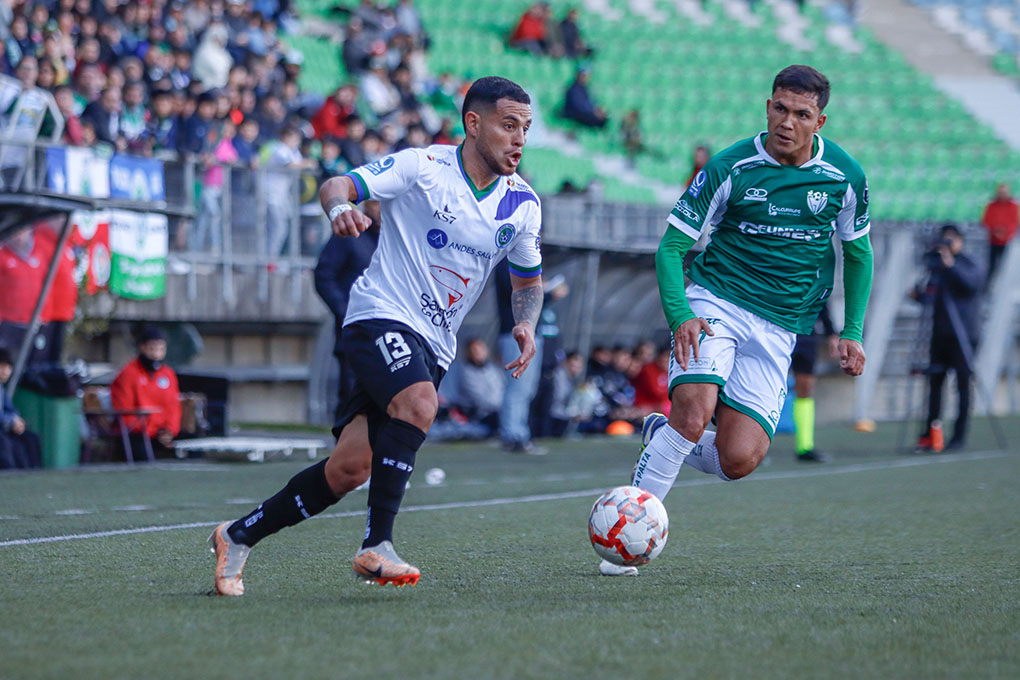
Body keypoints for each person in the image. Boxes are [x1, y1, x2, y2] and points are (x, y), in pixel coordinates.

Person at [209, 76, 543, 595]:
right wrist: (341, 209)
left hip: (436, 343)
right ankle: (377, 545)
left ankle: (237, 535)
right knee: (420, 404)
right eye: (508, 125)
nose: (519, 138)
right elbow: (337, 185)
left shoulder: (523, 205)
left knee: (347, 469)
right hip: (378, 314)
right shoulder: (423, 167)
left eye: (525, 128)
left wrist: (525, 321)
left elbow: (528, 281)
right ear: (473, 124)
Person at [604, 65, 873, 576]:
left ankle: (662, 435)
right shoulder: (731, 165)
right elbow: (672, 248)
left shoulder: (844, 177)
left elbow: (859, 255)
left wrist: (853, 329)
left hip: (780, 327)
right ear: (767, 105)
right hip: (717, 303)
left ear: (820, 120)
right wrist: (682, 314)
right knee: (693, 414)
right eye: (779, 108)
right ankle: (626, 543)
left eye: (801, 114)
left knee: (739, 460)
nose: (786, 122)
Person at [913, 224, 982, 452]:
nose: (947, 244)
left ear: (960, 241)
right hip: (940, 333)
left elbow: (971, 285)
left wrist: (950, 265)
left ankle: (959, 437)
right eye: (944, 239)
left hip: (964, 334)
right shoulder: (937, 268)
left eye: (951, 239)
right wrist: (918, 293)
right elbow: (929, 297)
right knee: (935, 384)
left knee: (963, 386)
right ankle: (931, 436)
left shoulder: (967, 263)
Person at [313, 221, 380, 415]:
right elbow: (324, 276)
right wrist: (347, 312)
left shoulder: (395, 237)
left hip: (389, 334)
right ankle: (345, 443)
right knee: (353, 400)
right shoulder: (351, 235)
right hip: (355, 335)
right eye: (376, 202)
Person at [110, 326, 182, 459]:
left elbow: (173, 407)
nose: (156, 354)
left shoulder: (168, 374)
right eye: (152, 348)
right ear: (142, 348)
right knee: (142, 453)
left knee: (192, 444)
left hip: (161, 431)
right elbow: (124, 412)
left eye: (161, 349)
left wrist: (169, 430)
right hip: (137, 432)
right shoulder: (128, 374)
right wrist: (152, 430)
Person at [790, 304, 839, 462]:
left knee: (805, 388)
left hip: (807, 334)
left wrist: (831, 332)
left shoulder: (818, 279)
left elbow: (822, 299)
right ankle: (754, 446)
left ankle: (804, 447)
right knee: (766, 385)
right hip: (779, 328)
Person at [0, 346, 42, 469]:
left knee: (31, 439)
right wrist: (11, 421)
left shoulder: (1, 388)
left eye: (8, 367)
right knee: (5, 444)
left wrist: (17, 420)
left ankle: (34, 474)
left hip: (4, 427)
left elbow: (10, 408)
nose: (5, 371)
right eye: (2, 366)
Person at [455, 338, 504, 435]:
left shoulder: (493, 369)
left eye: (481, 349)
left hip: (499, 410)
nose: (479, 353)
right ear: (468, 353)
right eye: (475, 351)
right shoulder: (466, 373)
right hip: (480, 415)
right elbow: (481, 399)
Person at [980, 183, 1018, 284]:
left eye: (1004, 192)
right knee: (991, 265)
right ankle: (989, 285)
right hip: (993, 239)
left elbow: (1014, 222)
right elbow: (986, 220)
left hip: (1007, 241)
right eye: (1000, 192)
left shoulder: (1013, 206)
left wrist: (1005, 233)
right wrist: (995, 231)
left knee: (1005, 265)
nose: (1002, 195)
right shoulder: (991, 205)